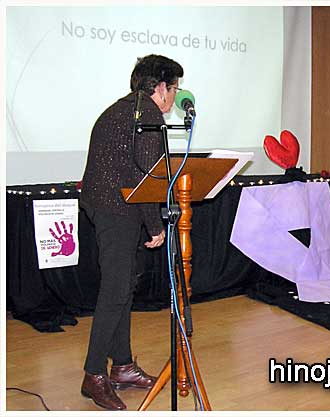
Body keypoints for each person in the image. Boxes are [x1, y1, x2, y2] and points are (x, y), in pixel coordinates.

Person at [79, 54, 184, 411]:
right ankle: (94, 374)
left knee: (122, 287)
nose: (175, 96)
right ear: (161, 87)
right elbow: (147, 176)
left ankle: (122, 366)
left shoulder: (122, 109)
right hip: (117, 208)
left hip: (107, 205)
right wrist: (155, 226)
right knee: (116, 290)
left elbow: (134, 171)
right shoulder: (148, 115)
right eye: (175, 88)